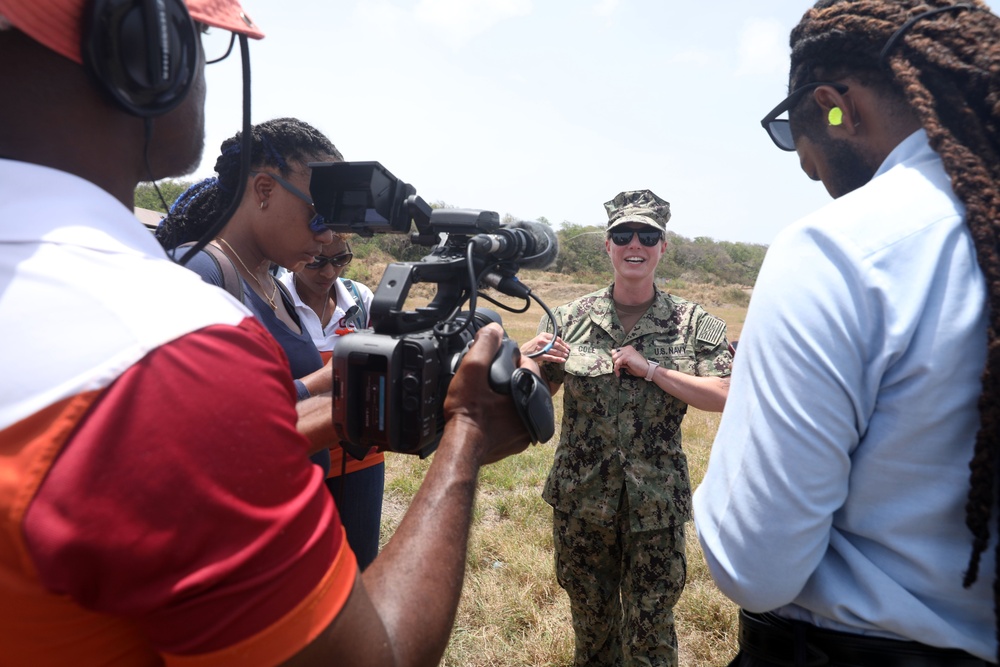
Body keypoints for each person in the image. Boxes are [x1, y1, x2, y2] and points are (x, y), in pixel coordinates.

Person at [0, 1, 536, 665]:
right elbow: (371, 657)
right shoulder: (167, 353)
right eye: (198, 37)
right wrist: (469, 431)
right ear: (148, 48)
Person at [692, 1, 1000, 665]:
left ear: (837, 107)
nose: (819, 182)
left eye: (809, 159)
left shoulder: (841, 251)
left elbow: (756, 566)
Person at [521, 189, 733, 667]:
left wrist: (652, 369)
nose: (634, 243)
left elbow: (724, 394)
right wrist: (523, 360)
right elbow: (540, 390)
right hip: (582, 499)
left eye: (647, 234)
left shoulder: (692, 322)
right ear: (608, 245)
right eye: (622, 234)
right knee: (592, 630)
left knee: (652, 631)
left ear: (663, 246)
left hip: (655, 505)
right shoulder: (569, 319)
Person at [157, 117, 345, 475]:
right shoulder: (197, 271)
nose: (326, 237)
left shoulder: (275, 286)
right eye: (319, 217)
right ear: (264, 190)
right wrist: (320, 383)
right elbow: (195, 426)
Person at [280, 235, 385, 570]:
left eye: (341, 260)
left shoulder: (360, 298)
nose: (329, 272)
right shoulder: (272, 300)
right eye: (317, 261)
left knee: (359, 561)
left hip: (360, 457)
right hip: (299, 454)